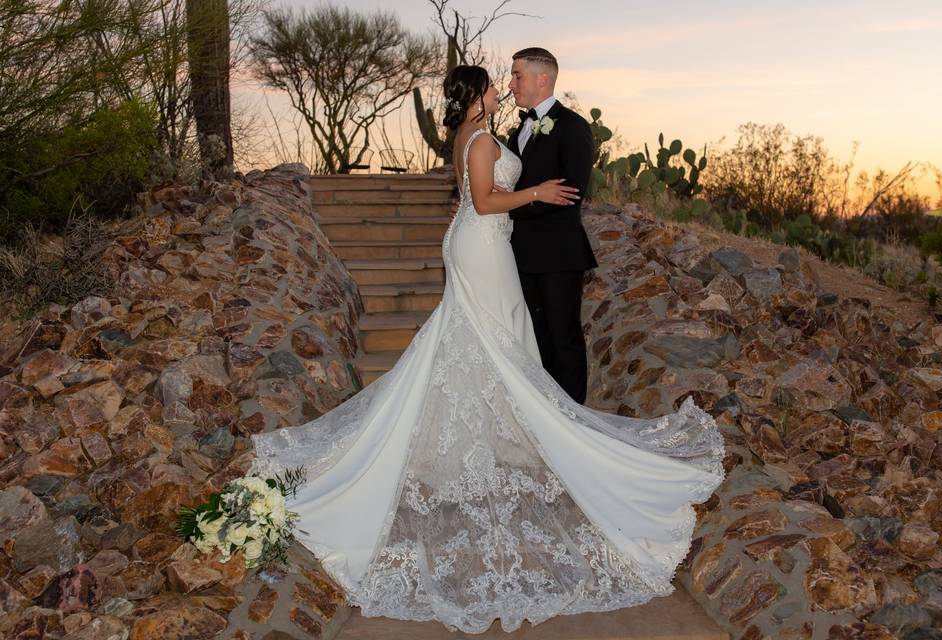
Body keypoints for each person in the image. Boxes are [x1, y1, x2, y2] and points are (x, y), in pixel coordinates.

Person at [251, 64, 725, 635]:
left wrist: (503, 199)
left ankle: (504, 434)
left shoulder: (474, 137)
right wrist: (536, 191)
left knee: (494, 337)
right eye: (494, 85)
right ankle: (509, 436)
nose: (502, 88)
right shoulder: (477, 139)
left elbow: (474, 199)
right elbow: (482, 200)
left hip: (482, 242)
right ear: (476, 95)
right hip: (484, 243)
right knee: (492, 336)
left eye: (508, 80)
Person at [507, 47, 598, 405]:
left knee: (564, 340)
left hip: (559, 254)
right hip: (521, 254)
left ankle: (575, 420)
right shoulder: (519, 130)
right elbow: (522, 188)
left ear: (542, 78)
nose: (512, 83)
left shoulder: (574, 128)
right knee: (537, 341)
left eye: (518, 75)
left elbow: (569, 194)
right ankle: (547, 417)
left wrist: (510, 207)